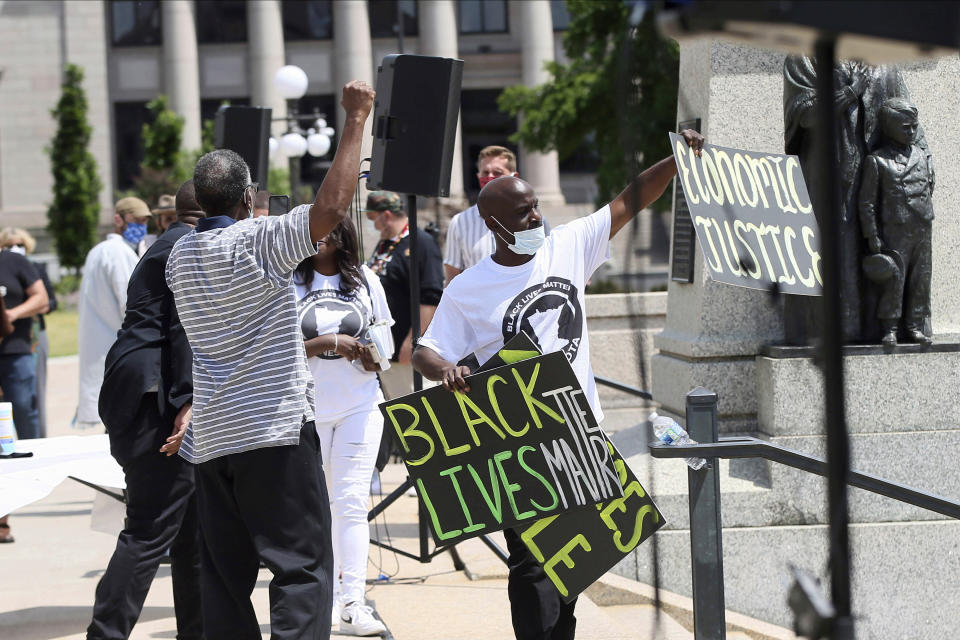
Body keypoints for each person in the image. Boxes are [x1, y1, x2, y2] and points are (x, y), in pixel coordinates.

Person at [412, 129, 705, 640]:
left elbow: (630, 199)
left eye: (536, 208)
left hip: (579, 434)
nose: (536, 219)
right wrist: (447, 371)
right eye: (524, 213)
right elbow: (425, 350)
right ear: (493, 224)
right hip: (520, 443)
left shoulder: (567, 245)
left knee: (574, 563)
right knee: (530, 566)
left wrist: (677, 158)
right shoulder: (468, 288)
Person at [165, 79, 375, 640]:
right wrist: (356, 119)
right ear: (244, 201)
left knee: (225, 578)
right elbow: (331, 207)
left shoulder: (178, 257)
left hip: (212, 440)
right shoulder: (256, 243)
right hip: (273, 431)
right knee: (301, 568)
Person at [86, 180, 205, 640]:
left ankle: (197, 631)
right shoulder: (189, 247)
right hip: (157, 399)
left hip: (139, 389)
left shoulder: (167, 243)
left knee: (194, 530)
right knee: (149, 530)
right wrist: (188, 399)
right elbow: (184, 328)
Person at [294, 216, 392, 636]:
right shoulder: (288, 283)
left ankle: (352, 603)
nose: (322, 238)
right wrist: (329, 343)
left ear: (343, 237)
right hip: (306, 409)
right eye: (315, 229)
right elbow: (275, 349)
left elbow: (384, 345)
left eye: (330, 230)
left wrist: (373, 355)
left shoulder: (365, 281)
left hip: (360, 404)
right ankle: (321, 599)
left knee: (350, 501)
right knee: (314, 508)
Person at [859, 98, 934, 346]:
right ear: (890, 127)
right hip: (894, 230)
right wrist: (872, 236)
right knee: (895, 280)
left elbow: (928, 186)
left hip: (921, 226)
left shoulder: (922, 156)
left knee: (920, 278)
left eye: (914, 126)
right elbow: (867, 202)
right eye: (905, 127)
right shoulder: (877, 161)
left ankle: (914, 325)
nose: (911, 132)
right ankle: (890, 327)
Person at [76, 197, 151, 429]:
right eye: (136, 220)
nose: (141, 227)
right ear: (118, 219)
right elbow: (130, 304)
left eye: (144, 221)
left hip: (98, 350)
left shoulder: (98, 251)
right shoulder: (119, 253)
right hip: (113, 351)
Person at [364, 191, 443, 399]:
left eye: (372, 219)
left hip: (406, 351)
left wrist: (412, 341)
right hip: (385, 350)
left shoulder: (421, 243)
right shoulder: (385, 244)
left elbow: (430, 298)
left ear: (386, 216)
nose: (371, 225)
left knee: (418, 410)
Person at [0, 228, 57, 438]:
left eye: (20, 244)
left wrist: (10, 315)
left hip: (18, 346)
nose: (16, 248)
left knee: (24, 408)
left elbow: (44, 299)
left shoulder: (18, 263)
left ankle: (34, 456)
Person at [444, 145, 519, 285]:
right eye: (485, 172)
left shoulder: (530, 218)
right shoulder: (459, 222)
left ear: (513, 176)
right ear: (478, 176)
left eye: (497, 172)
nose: (490, 177)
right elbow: (452, 277)